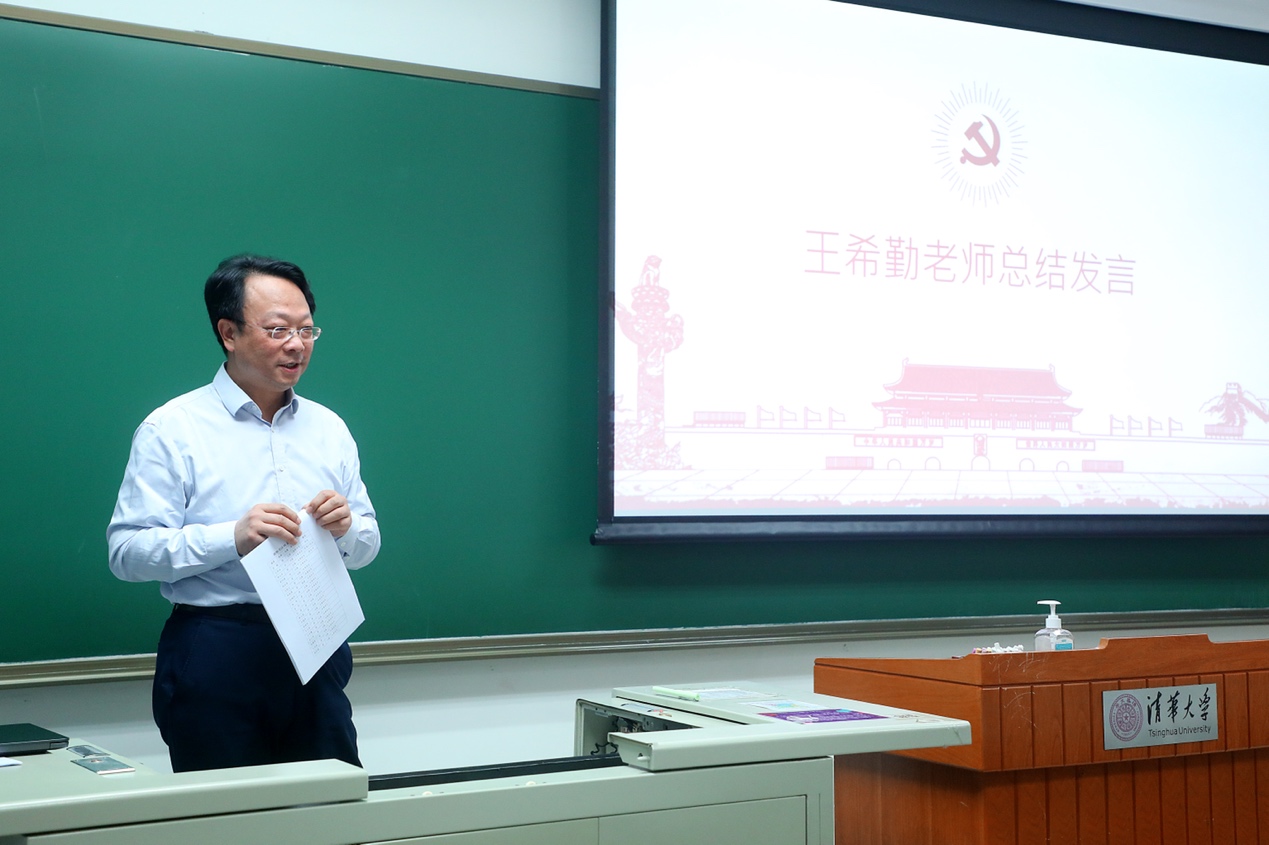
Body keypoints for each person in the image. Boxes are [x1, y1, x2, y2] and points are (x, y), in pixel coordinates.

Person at [107, 254, 380, 772]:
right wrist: (231, 537)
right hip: (217, 646)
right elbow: (127, 552)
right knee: (226, 809)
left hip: (317, 639)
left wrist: (347, 529)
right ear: (228, 333)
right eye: (278, 330)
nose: (296, 344)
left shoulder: (329, 428)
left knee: (330, 801)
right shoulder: (173, 428)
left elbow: (366, 545)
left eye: (306, 330)